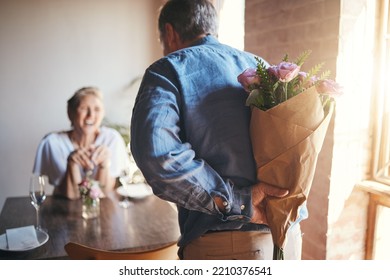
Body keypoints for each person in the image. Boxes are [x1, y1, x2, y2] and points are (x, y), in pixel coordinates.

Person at [130, 0, 303, 260]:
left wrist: (238, 201)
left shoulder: (168, 69)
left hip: (229, 248)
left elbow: (158, 155)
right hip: (290, 236)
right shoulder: (260, 67)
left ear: (169, 33)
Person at [33, 86, 130, 199]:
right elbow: (71, 196)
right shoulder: (53, 143)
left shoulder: (112, 139)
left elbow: (103, 192)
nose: (91, 115)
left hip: (102, 209)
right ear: (70, 113)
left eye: (97, 109)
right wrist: (71, 164)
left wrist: (104, 165)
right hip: (63, 210)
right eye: (84, 108)